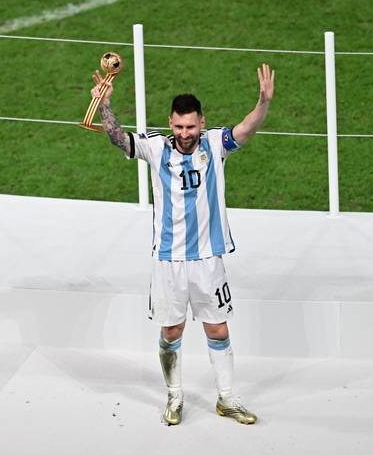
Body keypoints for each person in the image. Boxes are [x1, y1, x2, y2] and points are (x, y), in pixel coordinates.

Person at [93, 64, 274, 426]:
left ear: (202, 123)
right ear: (170, 123)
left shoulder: (215, 144)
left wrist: (263, 102)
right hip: (168, 259)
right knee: (172, 330)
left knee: (217, 328)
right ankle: (174, 398)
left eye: (190, 126)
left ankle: (226, 399)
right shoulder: (156, 147)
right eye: (178, 126)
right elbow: (118, 138)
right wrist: (104, 106)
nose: (185, 133)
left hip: (208, 257)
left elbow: (247, 127)